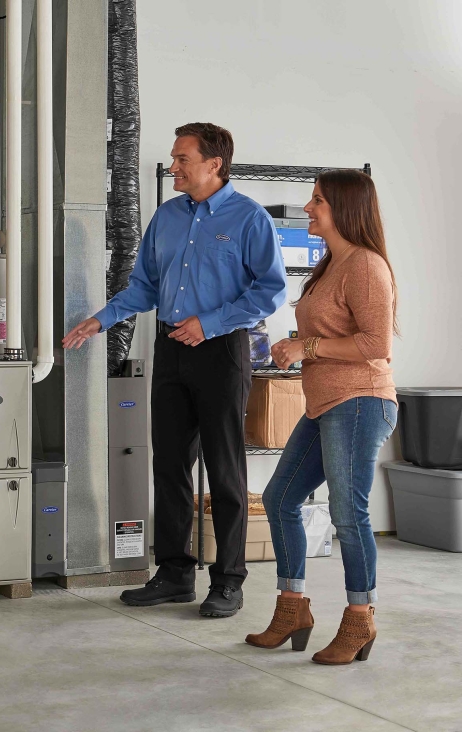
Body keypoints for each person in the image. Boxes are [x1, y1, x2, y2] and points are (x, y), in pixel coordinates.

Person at [63, 123, 286, 618]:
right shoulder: (166, 215)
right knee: (168, 464)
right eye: (173, 157)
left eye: (183, 158)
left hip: (221, 351)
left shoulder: (249, 218)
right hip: (170, 350)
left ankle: (228, 580)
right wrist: (102, 319)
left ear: (214, 164)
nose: (173, 166)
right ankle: (174, 573)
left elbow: (270, 291)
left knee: (224, 469)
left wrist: (209, 323)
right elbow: (144, 285)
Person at [246, 169, 397, 664]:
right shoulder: (332, 263)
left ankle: (360, 618)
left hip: (361, 402)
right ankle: (292, 609)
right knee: (280, 498)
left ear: (345, 209)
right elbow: (334, 334)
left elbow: (376, 344)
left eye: (318, 201)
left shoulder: (366, 266)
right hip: (326, 404)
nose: (308, 209)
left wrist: (305, 347)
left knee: (347, 513)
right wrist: (293, 347)